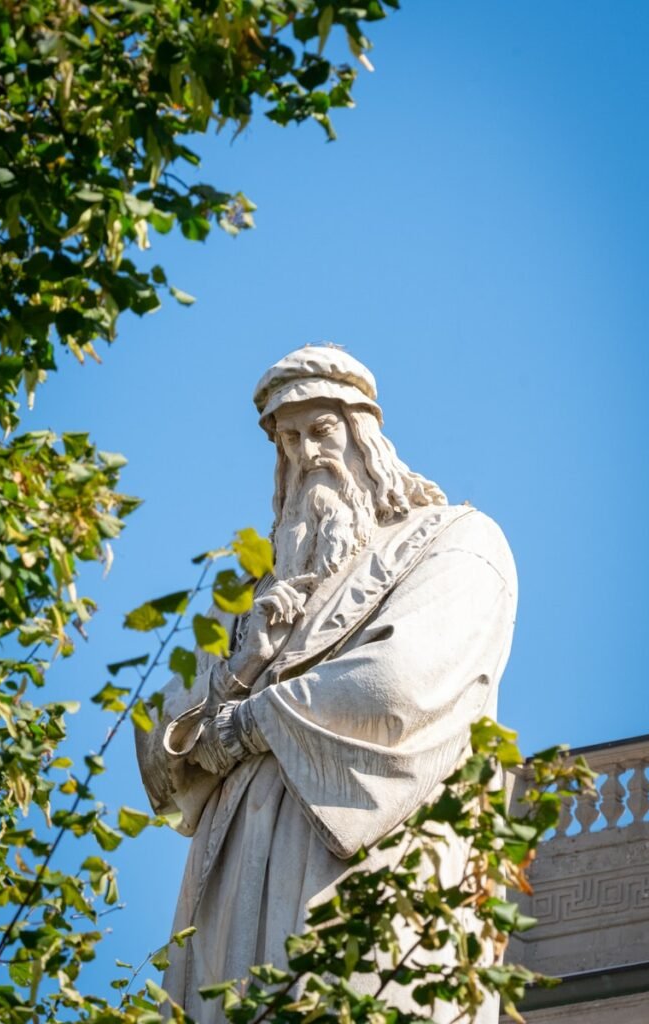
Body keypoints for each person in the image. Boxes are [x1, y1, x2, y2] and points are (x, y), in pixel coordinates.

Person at [135, 344, 517, 1023]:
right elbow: (155, 749)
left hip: (368, 884)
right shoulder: (251, 593)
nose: (307, 451)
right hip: (230, 896)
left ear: (364, 434)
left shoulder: (454, 541)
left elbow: (395, 688)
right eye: (288, 438)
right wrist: (242, 664)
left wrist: (244, 725)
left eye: (322, 430)